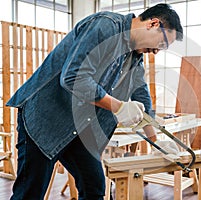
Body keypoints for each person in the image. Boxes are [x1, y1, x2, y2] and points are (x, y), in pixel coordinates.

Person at [7, 3, 183, 200]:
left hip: (78, 128)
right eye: (162, 44)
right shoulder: (105, 26)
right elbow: (73, 77)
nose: (157, 51)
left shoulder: (134, 56)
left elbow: (141, 95)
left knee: (94, 188)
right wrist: (119, 106)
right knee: (30, 193)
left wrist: (156, 142)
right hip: (46, 120)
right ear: (153, 24)